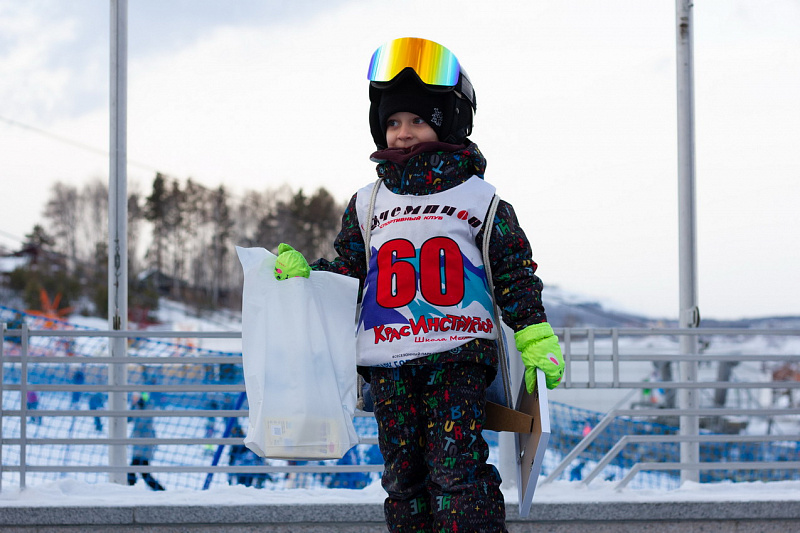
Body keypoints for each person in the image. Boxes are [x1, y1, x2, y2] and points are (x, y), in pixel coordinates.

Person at [273, 37, 564, 532]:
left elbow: (513, 271)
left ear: (448, 121)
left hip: (457, 355)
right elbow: (351, 271)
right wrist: (310, 276)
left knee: (456, 472)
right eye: (393, 122)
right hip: (387, 362)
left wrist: (533, 333)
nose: (403, 132)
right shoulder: (368, 202)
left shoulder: (480, 199)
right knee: (403, 477)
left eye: (416, 120)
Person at [127, 392, 165, 491]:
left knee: (138, 471)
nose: (134, 399)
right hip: (138, 444)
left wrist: (136, 408)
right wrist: (132, 407)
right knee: (141, 472)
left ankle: (160, 491)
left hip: (145, 444)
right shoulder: (136, 406)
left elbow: (142, 422)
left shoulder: (148, 405)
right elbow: (128, 420)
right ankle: (160, 490)